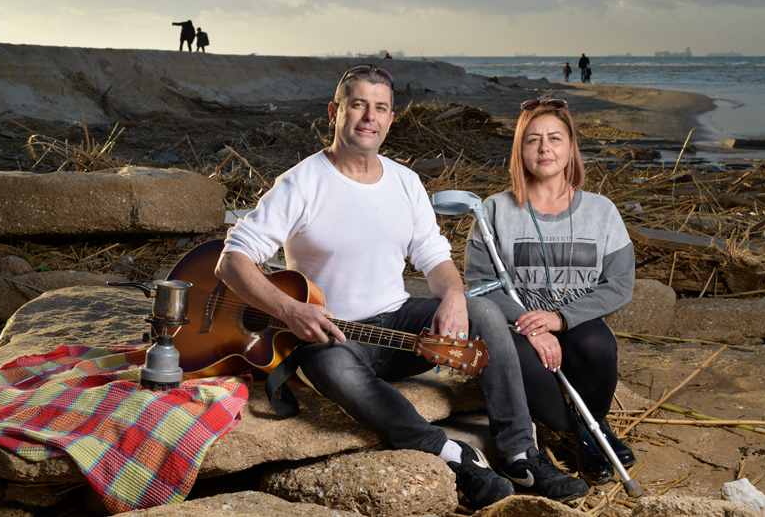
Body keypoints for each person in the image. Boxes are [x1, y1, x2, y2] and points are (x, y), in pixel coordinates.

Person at [215, 66, 588, 508]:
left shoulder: (405, 181)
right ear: (335, 112)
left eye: (380, 108)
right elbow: (231, 260)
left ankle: (518, 451)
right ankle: (450, 452)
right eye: (357, 105)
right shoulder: (302, 182)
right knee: (332, 368)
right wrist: (291, 311)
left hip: (400, 326)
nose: (368, 117)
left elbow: (434, 256)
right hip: (332, 335)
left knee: (483, 311)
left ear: (391, 119)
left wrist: (451, 296)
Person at [464, 97, 637, 485]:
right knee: (518, 357)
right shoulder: (493, 211)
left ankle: (596, 425)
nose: (545, 149)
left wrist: (561, 318)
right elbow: (478, 286)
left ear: (571, 146)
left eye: (555, 138)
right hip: (519, 326)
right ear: (520, 150)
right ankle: (580, 437)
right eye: (533, 140)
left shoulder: (601, 210)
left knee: (597, 345)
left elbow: (621, 283)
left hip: (577, 318)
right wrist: (531, 325)